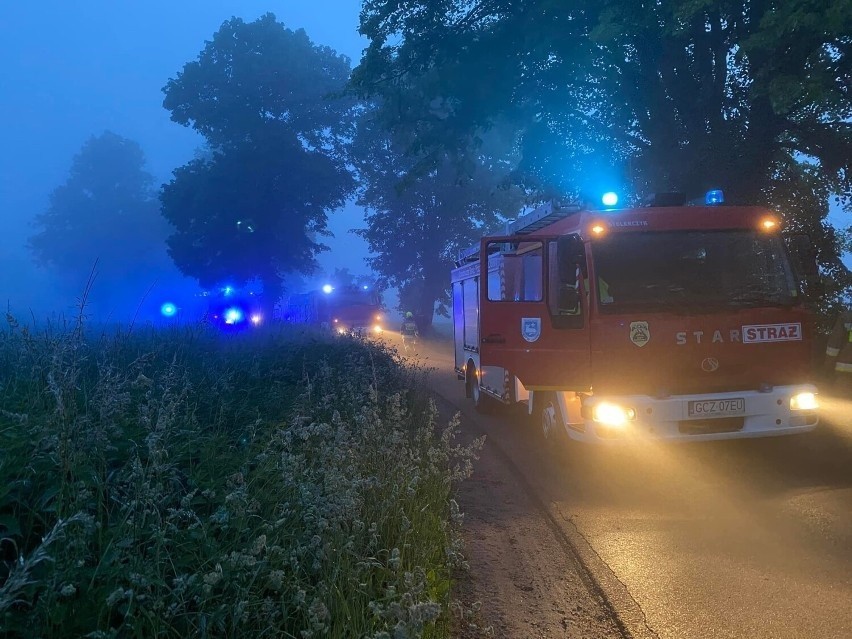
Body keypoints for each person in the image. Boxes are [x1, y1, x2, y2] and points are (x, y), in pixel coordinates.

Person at [824, 308, 852, 393]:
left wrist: (827, 367)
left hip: (845, 371)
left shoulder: (846, 317)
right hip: (845, 371)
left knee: (841, 402)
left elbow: (834, 345)